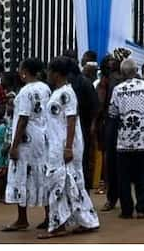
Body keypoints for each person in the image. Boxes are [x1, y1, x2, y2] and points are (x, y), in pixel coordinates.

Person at [39, 56, 100, 239]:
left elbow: (71, 119)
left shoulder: (66, 93)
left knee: (59, 181)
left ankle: (58, 225)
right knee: (70, 182)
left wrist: (67, 148)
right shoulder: (58, 92)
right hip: (58, 144)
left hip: (64, 145)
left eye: (49, 71)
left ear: (56, 73)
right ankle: (87, 220)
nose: (48, 75)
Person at [108, 57, 144, 219]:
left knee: (124, 177)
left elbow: (113, 114)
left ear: (123, 73)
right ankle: (142, 208)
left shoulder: (118, 89)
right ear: (136, 71)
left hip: (124, 141)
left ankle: (126, 210)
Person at [3, 58, 51, 231]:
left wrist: (14, 146)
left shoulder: (25, 92)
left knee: (21, 174)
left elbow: (22, 119)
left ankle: (22, 219)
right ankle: (49, 216)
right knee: (43, 174)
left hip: (27, 140)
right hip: (42, 138)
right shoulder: (45, 88)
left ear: (25, 71)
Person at [63, 48, 99, 191]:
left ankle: (82, 190)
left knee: (81, 159)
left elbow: (95, 106)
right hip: (64, 127)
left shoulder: (83, 82)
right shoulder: (63, 83)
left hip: (82, 125)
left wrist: (92, 125)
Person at [94, 54, 126, 211]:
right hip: (117, 123)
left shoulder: (107, 81)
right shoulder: (112, 80)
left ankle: (112, 197)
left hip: (111, 123)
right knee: (115, 161)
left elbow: (100, 105)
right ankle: (115, 197)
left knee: (111, 161)